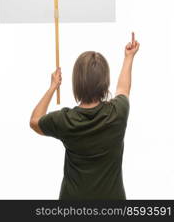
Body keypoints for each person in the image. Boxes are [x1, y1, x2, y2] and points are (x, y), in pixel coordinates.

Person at [30, 32, 140, 200]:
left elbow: (34, 121)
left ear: (77, 83)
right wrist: (129, 57)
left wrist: (53, 86)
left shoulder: (65, 120)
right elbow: (123, 88)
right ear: (105, 81)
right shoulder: (118, 112)